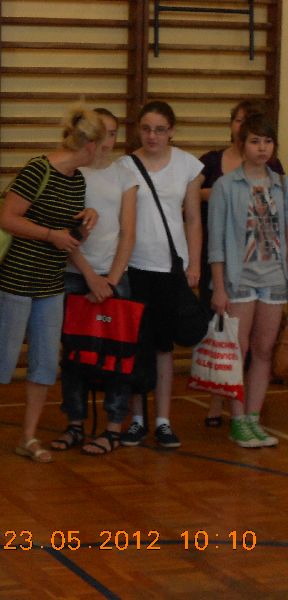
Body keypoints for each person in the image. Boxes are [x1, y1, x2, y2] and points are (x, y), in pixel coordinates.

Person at [0, 107, 102, 462]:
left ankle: (28, 436)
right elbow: (8, 218)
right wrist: (51, 235)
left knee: (44, 363)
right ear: (89, 145)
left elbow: (67, 232)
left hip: (50, 284)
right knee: (0, 359)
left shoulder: (77, 180)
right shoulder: (38, 169)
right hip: (16, 280)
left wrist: (85, 221)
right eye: (102, 145)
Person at [50, 108, 138, 456]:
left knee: (117, 356)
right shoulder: (74, 172)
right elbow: (66, 231)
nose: (107, 140)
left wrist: (110, 280)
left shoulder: (124, 174)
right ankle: (75, 423)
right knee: (74, 354)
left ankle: (113, 427)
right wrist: (89, 276)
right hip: (76, 275)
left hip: (114, 276)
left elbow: (128, 232)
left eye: (113, 133)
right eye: (101, 132)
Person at [119, 101, 203, 449]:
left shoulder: (187, 165)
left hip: (170, 267)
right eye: (146, 129)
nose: (152, 136)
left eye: (160, 129)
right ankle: (137, 419)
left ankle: (163, 420)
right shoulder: (125, 166)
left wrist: (193, 263)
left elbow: (193, 218)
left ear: (171, 131)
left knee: (164, 347)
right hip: (134, 267)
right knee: (137, 346)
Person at [198, 100, 285, 427]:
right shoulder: (225, 186)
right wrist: (219, 287)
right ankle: (236, 420)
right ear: (242, 144)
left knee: (264, 351)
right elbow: (216, 244)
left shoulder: (281, 186)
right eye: (255, 141)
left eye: (268, 141)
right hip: (239, 280)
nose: (262, 148)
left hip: (273, 279)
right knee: (238, 350)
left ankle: (252, 419)